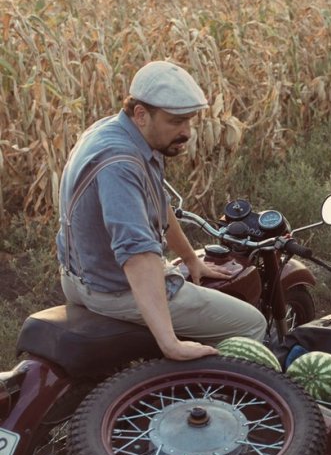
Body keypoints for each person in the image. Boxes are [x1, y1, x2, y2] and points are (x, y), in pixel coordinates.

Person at [56, 60, 267, 361]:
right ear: (141, 114)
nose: (187, 132)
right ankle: (220, 400)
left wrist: (192, 259)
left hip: (79, 275)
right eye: (175, 122)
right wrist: (171, 344)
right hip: (113, 288)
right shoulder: (121, 163)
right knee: (250, 323)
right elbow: (138, 255)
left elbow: (156, 202)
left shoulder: (114, 130)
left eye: (190, 121)